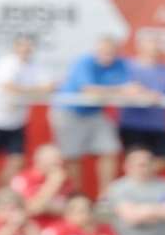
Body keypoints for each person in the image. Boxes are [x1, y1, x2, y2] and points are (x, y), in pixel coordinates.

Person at [0, 34, 52, 194]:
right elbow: (8, 86)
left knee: (17, 159)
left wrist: (26, 90)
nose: (25, 49)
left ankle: (4, 193)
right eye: (22, 45)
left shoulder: (36, 67)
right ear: (15, 47)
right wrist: (34, 90)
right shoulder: (6, 63)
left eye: (28, 46)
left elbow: (48, 87)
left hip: (16, 120)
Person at [51, 36, 133, 190]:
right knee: (72, 155)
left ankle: (106, 196)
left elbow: (129, 87)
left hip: (95, 113)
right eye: (103, 51)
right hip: (69, 111)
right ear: (96, 51)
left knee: (110, 149)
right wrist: (120, 90)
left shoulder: (121, 64)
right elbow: (88, 90)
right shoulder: (84, 62)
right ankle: (76, 195)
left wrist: (138, 91)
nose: (107, 55)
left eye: (111, 52)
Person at [119, 39, 165, 167]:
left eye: (156, 51)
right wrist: (144, 94)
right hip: (133, 124)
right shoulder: (128, 67)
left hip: (158, 124)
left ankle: (144, 176)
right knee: (137, 160)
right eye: (150, 51)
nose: (153, 54)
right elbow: (121, 87)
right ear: (141, 50)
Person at [9, 143, 77, 227]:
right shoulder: (22, 179)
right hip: (33, 228)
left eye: (60, 159)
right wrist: (53, 183)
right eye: (56, 159)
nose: (60, 162)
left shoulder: (66, 180)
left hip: (62, 228)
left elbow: (74, 212)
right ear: (39, 160)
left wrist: (47, 207)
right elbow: (31, 209)